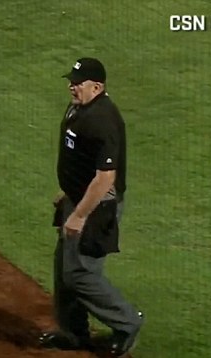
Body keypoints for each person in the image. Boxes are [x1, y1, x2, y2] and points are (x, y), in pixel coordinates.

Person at [39, 57, 144, 356]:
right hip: (78, 197)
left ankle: (127, 322)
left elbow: (106, 177)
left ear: (97, 86)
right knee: (64, 269)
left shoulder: (103, 119)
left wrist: (80, 214)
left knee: (81, 274)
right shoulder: (82, 107)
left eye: (78, 82)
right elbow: (82, 160)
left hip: (97, 207)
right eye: (71, 81)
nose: (72, 86)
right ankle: (73, 333)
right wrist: (68, 191)